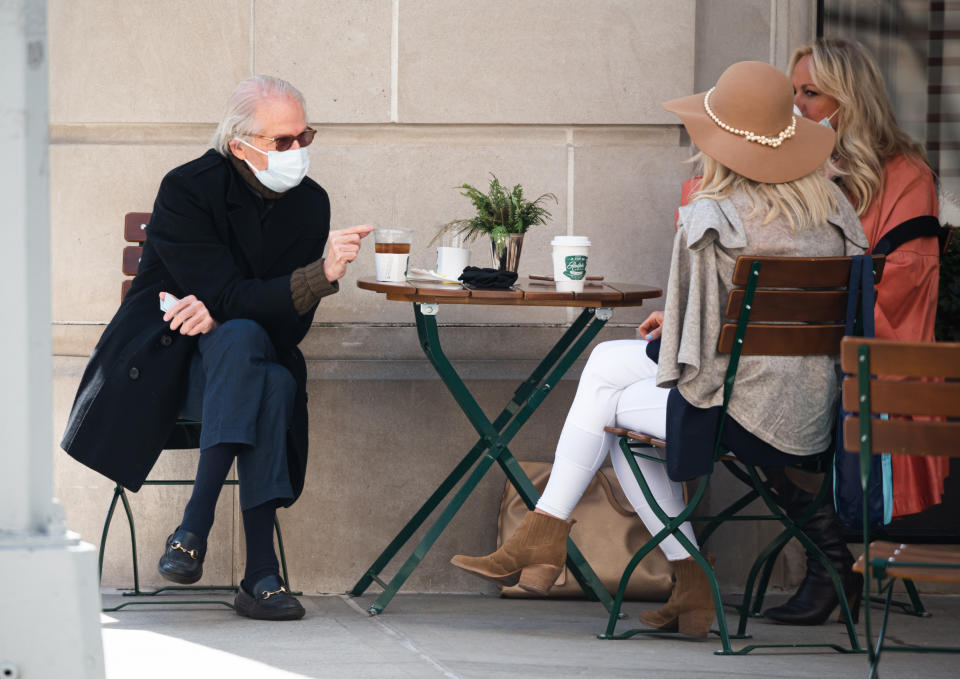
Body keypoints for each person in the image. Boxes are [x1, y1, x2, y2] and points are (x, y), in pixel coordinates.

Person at [450, 61, 867, 638]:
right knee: (610, 379)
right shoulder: (838, 214)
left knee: (612, 410)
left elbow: (684, 356)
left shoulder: (712, 217)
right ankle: (671, 580)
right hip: (815, 414)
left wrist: (679, 324)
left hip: (738, 417)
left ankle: (554, 533)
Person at [61, 75, 373, 621]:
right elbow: (230, 294)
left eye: (305, 137)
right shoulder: (188, 188)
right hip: (167, 369)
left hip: (239, 372)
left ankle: (193, 530)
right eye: (283, 141)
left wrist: (232, 308)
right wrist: (307, 279)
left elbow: (285, 331)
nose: (297, 151)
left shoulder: (310, 203)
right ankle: (259, 573)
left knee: (256, 354)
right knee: (255, 356)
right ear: (240, 145)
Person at [761, 38, 945, 626]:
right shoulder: (795, 164)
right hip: (794, 349)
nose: (798, 106)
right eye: (794, 93)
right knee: (741, 404)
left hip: (866, 361)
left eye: (811, 93)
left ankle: (828, 562)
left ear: (851, 98)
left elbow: (908, 277)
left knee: (758, 401)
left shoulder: (906, 173)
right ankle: (832, 558)